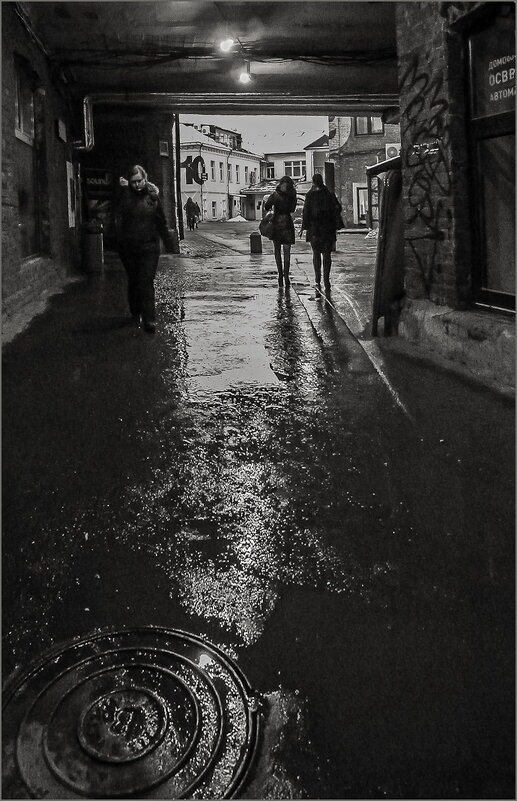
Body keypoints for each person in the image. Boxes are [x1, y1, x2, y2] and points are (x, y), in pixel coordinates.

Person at [115, 165, 171, 333]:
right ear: (128, 183)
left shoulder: (153, 197)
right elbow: (117, 221)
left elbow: (161, 222)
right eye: (133, 182)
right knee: (133, 281)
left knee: (146, 281)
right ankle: (135, 313)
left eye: (139, 181)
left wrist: (169, 243)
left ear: (145, 179)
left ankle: (149, 319)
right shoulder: (124, 198)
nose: (137, 185)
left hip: (149, 247)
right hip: (129, 249)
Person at [300, 173, 343, 292]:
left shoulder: (310, 195)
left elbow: (306, 212)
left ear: (313, 181)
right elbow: (338, 208)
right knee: (327, 255)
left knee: (316, 255)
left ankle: (317, 279)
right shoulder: (329, 194)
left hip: (314, 230)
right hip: (327, 229)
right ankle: (326, 280)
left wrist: (305, 227)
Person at [264, 175, 297, 287]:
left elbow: (266, 206)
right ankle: (286, 276)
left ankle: (280, 275)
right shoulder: (292, 194)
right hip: (287, 223)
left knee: (277, 250)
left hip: (277, 223)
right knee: (287, 251)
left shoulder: (275, 194)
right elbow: (292, 209)